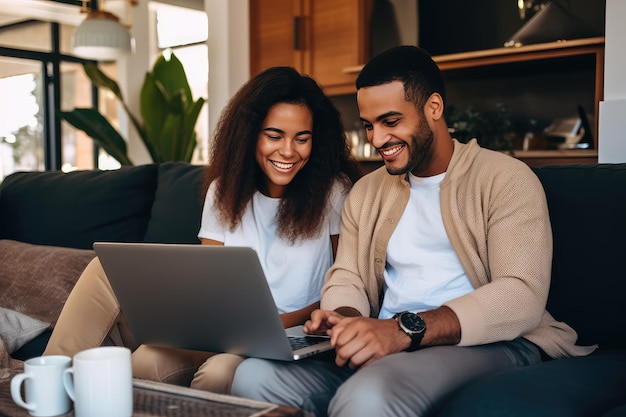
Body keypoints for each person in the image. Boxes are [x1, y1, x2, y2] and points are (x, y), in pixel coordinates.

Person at [229, 46, 595, 416]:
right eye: (369, 125)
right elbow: (348, 275)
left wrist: (404, 330)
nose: (377, 138)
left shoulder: (506, 180)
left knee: (370, 396)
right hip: (387, 339)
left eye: (391, 121)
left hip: (484, 343)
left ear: (433, 108)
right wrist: (346, 317)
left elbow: (521, 295)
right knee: (253, 377)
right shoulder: (367, 192)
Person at [44, 66, 360, 394]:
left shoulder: (334, 193)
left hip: (281, 337)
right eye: (274, 135)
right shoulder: (224, 190)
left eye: (302, 138)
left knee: (219, 373)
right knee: (134, 338)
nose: (288, 151)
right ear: (251, 134)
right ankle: (50, 387)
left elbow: (342, 284)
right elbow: (211, 283)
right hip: (220, 329)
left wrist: (269, 326)